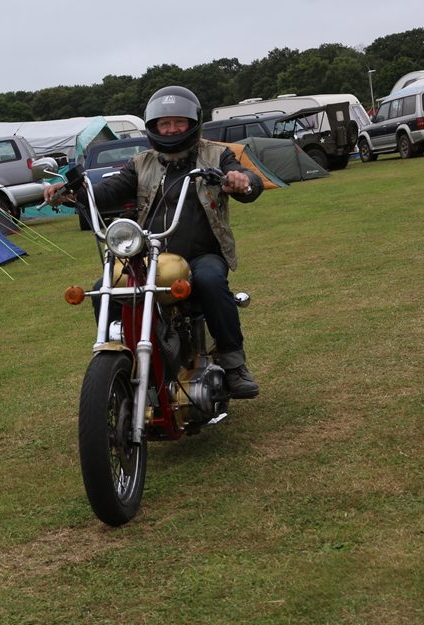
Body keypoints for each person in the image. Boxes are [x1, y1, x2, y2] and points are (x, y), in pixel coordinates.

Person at [44, 85, 264, 399]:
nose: (172, 129)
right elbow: (108, 192)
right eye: (165, 123)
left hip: (202, 255)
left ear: (192, 123)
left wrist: (242, 180)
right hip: (151, 255)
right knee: (103, 287)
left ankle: (234, 365)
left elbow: (246, 180)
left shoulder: (217, 154)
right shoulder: (141, 162)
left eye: (179, 122)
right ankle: (120, 361)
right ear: (154, 127)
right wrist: (73, 192)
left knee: (211, 281)